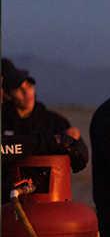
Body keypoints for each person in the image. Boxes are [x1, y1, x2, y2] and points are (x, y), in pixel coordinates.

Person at [1, 60, 89, 202]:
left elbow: (81, 159)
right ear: (8, 95)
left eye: (29, 86)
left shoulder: (54, 121)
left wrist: (72, 145)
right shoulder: (3, 122)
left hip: (48, 202)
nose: (26, 92)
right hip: (8, 202)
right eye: (19, 89)